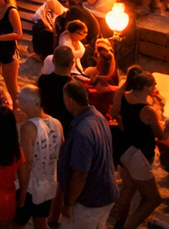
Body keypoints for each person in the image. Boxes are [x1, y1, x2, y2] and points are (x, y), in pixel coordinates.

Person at [57, 79, 118, 229]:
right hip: (104, 194)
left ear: (69, 100)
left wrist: (68, 203)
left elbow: (80, 174)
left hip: (90, 200)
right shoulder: (98, 117)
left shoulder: (82, 131)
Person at [111, 70, 165, 229]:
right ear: (146, 87)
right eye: (153, 84)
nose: (154, 87)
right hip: (138, 155)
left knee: (128, 189)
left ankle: (119, 223)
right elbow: (159, 134)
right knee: (153, 199)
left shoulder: (125, 96)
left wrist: (123, 124)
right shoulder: (148, 110)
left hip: (123, 148)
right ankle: (128, 226)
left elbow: (114, 112)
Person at [15, 86, 64, 229]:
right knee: (41, 223)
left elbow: (26, 163)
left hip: (30, 186)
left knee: (15, 224)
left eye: (19, 100)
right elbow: (61, 151)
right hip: (48, 184)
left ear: (27, 103)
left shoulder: (28, 127)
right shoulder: (57, 123)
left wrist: (22, 192)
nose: (17, 104)